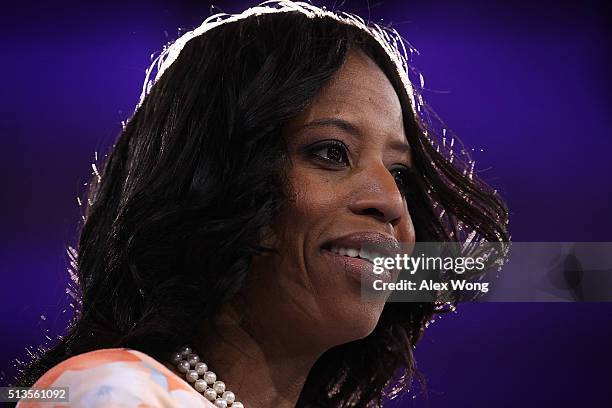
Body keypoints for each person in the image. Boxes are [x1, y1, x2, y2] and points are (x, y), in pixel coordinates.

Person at [12, 1, 509, 407]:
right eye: (330, 153)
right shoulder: (110, 393)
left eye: (399, 172)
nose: (390, 202)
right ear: (219, 178)